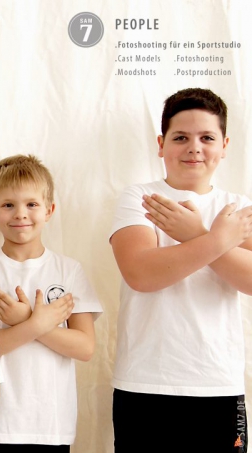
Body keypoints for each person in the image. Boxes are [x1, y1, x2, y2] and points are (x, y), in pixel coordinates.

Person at [110, 88, 252, 453]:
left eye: (207, 137)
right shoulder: (138, 198)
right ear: (161, 144)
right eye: (180, 137)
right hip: (145, 383)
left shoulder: (239, 207)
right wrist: (218, 241)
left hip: (218, 384)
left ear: (224, 145)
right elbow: (141, 274)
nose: (194, 147)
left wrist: (196, 235)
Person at [0, 155, 102, 452]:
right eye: (8, 205)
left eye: (32, 204)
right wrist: (36, 323)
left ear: (49, 210)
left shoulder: (68, 270)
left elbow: (85, 348)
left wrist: (26, 320)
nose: (21, 214)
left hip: (51, 424)